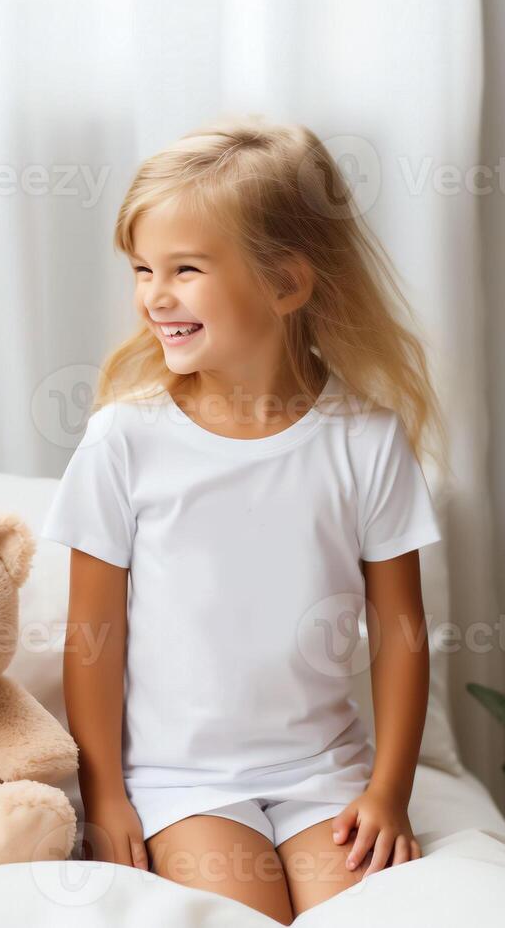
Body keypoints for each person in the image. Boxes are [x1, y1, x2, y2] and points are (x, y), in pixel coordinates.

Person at [41, 116, 449, 924]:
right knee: (243, 913)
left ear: (288, 284)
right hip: (180, 782)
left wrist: (388, 792)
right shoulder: (126, 439)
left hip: (323, 777)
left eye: (185, 269)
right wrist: (107, 797)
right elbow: (92, 636)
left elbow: (401, 631)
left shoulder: (365, 440)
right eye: (143, 268)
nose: (154, 295)